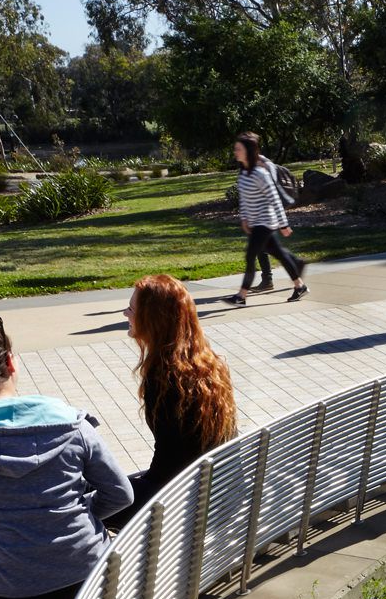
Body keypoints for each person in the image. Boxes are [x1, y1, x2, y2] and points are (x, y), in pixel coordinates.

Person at [0, 308, 133, 599]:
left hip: (3, 590)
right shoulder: (71, 424)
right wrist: (74, 516)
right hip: (86, 574)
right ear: (10, 362)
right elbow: (121, 495)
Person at [114, 274, 238, 526]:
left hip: (183, 502)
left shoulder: (165, 376)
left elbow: (167, 467)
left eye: (131, 308)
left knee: (84, 499)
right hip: (222, 490)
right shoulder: (208, 364)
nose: (126, 314)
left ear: (153, 319)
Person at [223, 132, 309, 306]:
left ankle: (241, 296)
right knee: (281, 255)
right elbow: (245, 200)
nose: (235, 152)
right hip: (255, 223)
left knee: (250, 257)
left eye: (238, 149)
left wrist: (284, 224)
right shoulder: (244, 172)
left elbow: (274, 199)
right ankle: (299, 285)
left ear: (247, 151)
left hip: (266, 223)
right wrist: (245, 218)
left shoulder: (260, 173)